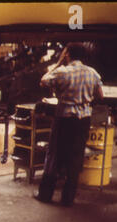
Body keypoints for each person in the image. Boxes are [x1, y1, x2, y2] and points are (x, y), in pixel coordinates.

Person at [34, 42, 104, 206]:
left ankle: (45, 195)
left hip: (64, 118)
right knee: (75, 157)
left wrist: (58, 63)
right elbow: (100, 95)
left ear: (67, 54)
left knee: (54, 156)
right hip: (83, 120)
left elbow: (43, 81)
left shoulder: (62, 72)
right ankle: (68, 198)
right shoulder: (92, 73)